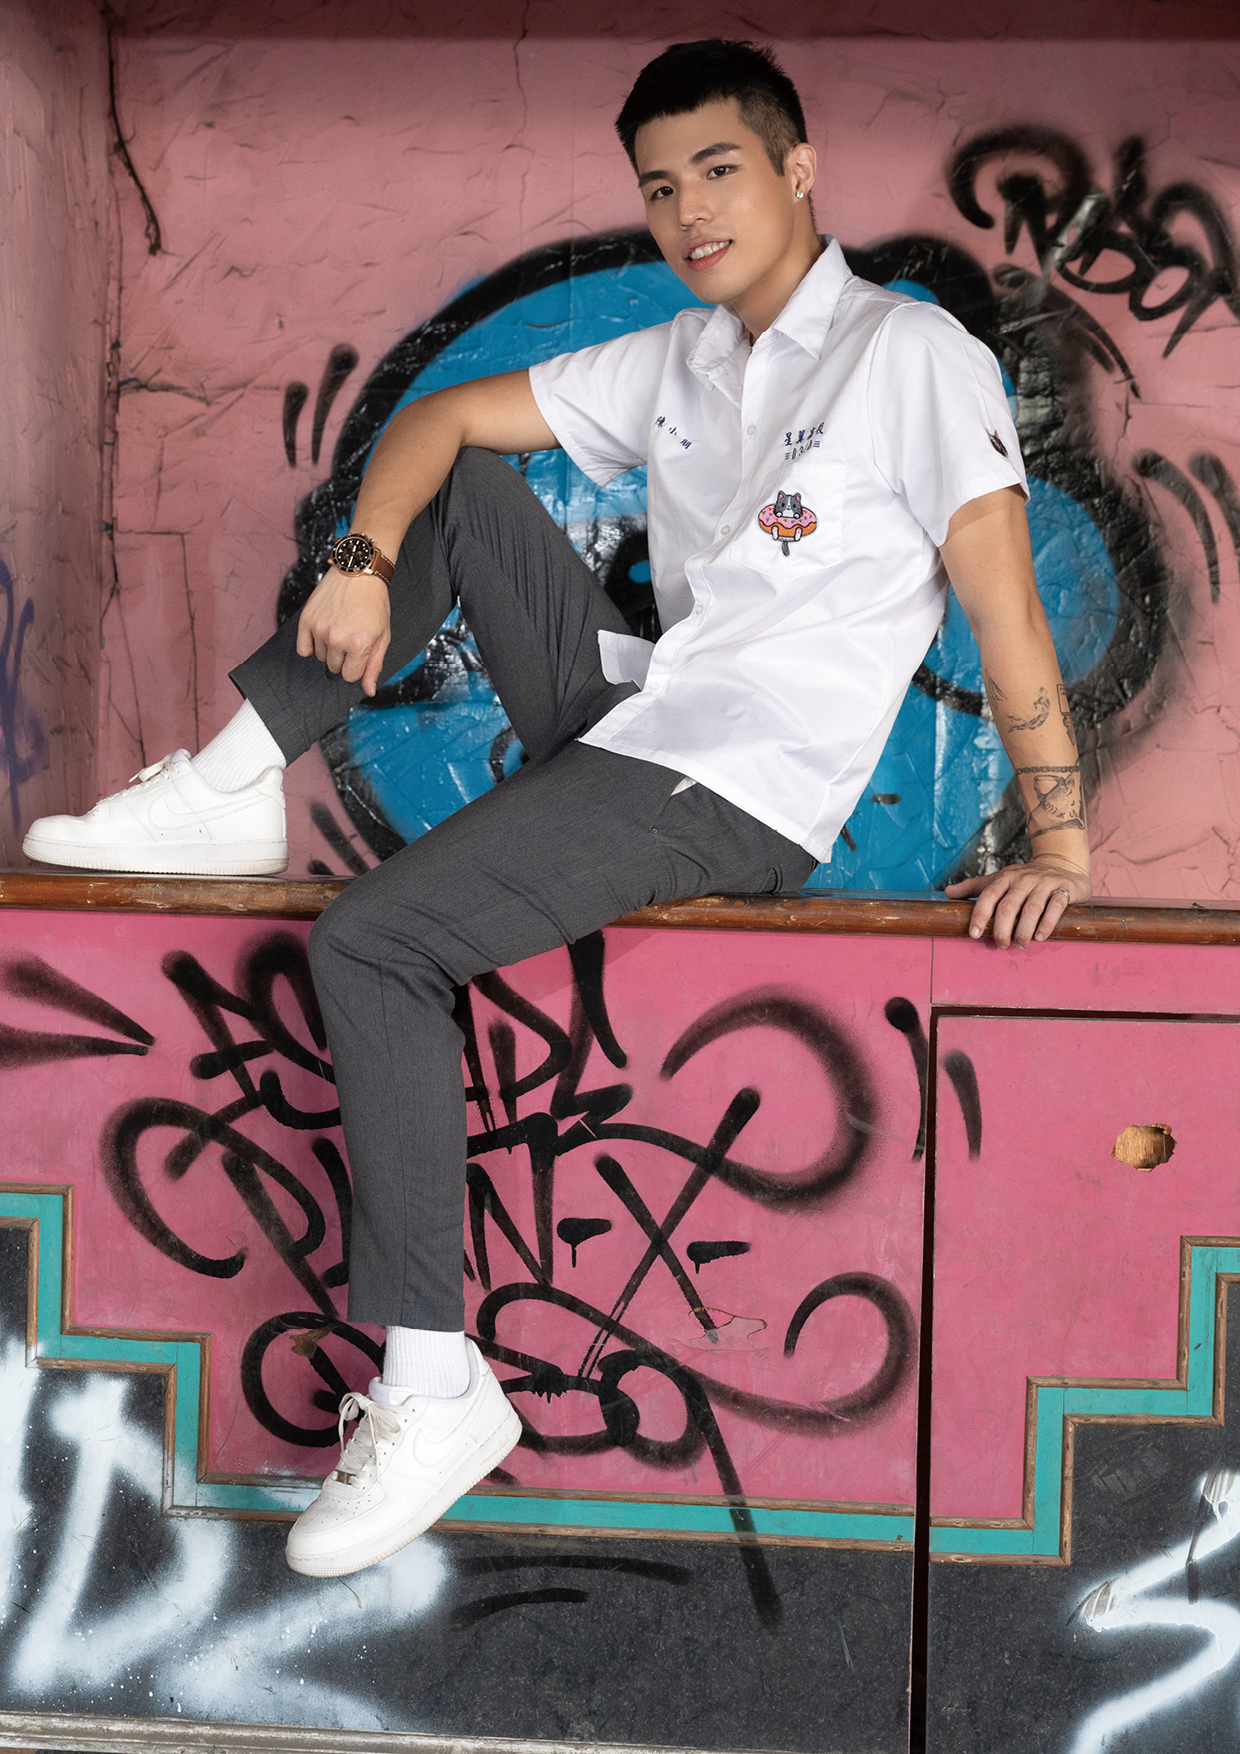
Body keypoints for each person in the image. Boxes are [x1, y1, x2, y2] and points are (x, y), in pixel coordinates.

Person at [23, 40, 1091, 1577]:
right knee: (457, 485)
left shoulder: (907, 355)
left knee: (375, 942)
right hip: (641, 715)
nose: (688, 210)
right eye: (660, 186)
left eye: (718, 170)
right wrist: (362, 557)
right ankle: (236, 776)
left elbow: (1005, 608)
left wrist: (1063, 842)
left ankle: (434, 1381)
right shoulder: (684, 357)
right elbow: (440, 424)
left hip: (741, 784)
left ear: (796, 172)